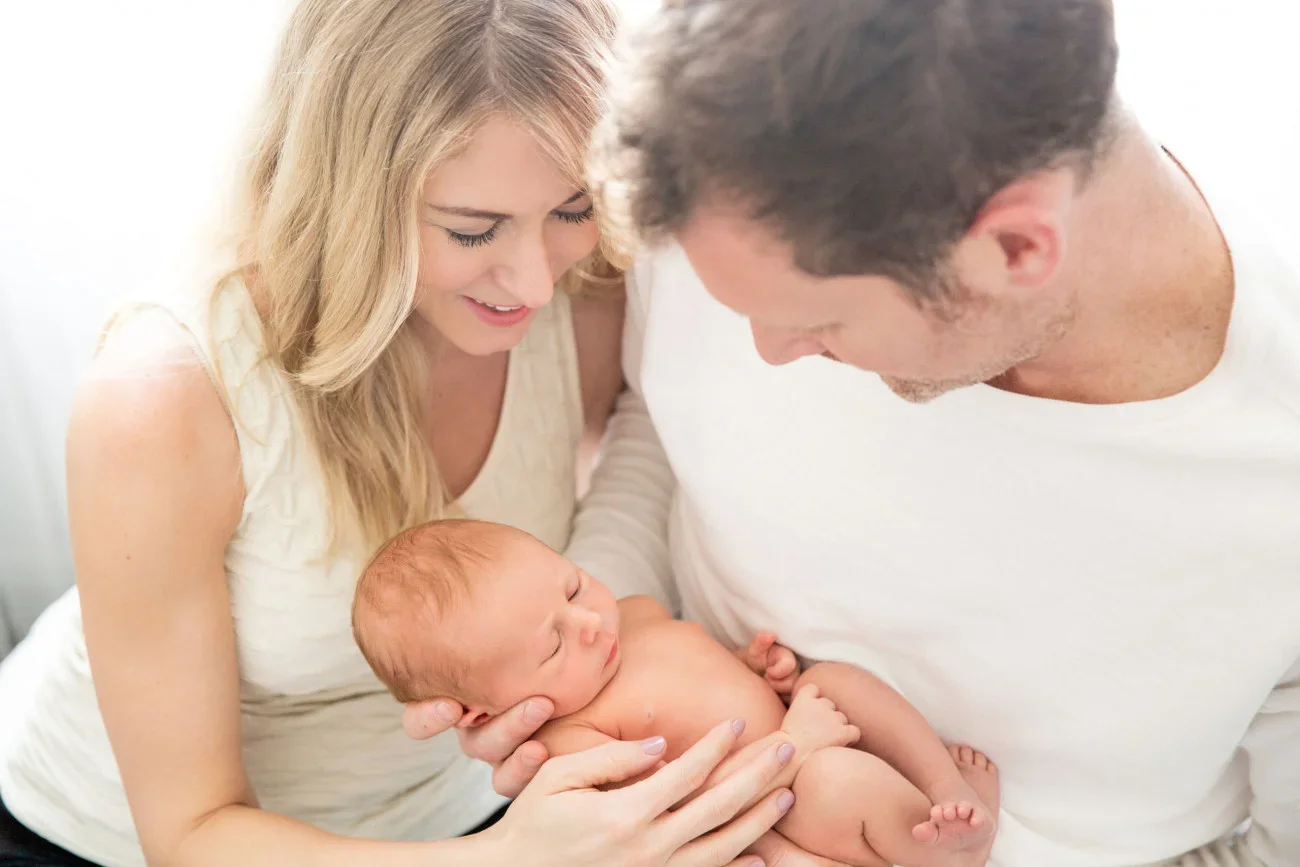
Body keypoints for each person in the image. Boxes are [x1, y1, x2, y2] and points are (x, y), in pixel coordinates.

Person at [409, 1, 1300, 866]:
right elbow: (661, 415)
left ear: (1018, 250)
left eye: (820, 323)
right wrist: (587, 671)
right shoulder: (727, 174)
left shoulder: (1268, 470)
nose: (767, 352)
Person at [0, 1, 797, 866]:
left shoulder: (586, 277)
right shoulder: (165, 396)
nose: (534, 280)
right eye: (472, 229)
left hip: (478, 816)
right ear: (346, 192)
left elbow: (639, 427)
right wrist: (516, 859)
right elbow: (188, 834)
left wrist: (577, 643)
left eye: (570, 208)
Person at [353, 518, 1002, 867]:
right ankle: (935, 853)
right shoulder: (570, 744)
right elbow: (684, 806)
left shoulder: (630, 611)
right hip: (777, 802)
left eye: (573, 585)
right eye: (553, 644)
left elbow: (705, 670)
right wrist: (793, 746)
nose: (590, 622)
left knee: (832, 677)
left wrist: (758, 670)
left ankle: (945, 786)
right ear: (482, 710)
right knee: (836, 780)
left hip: (796, 720)